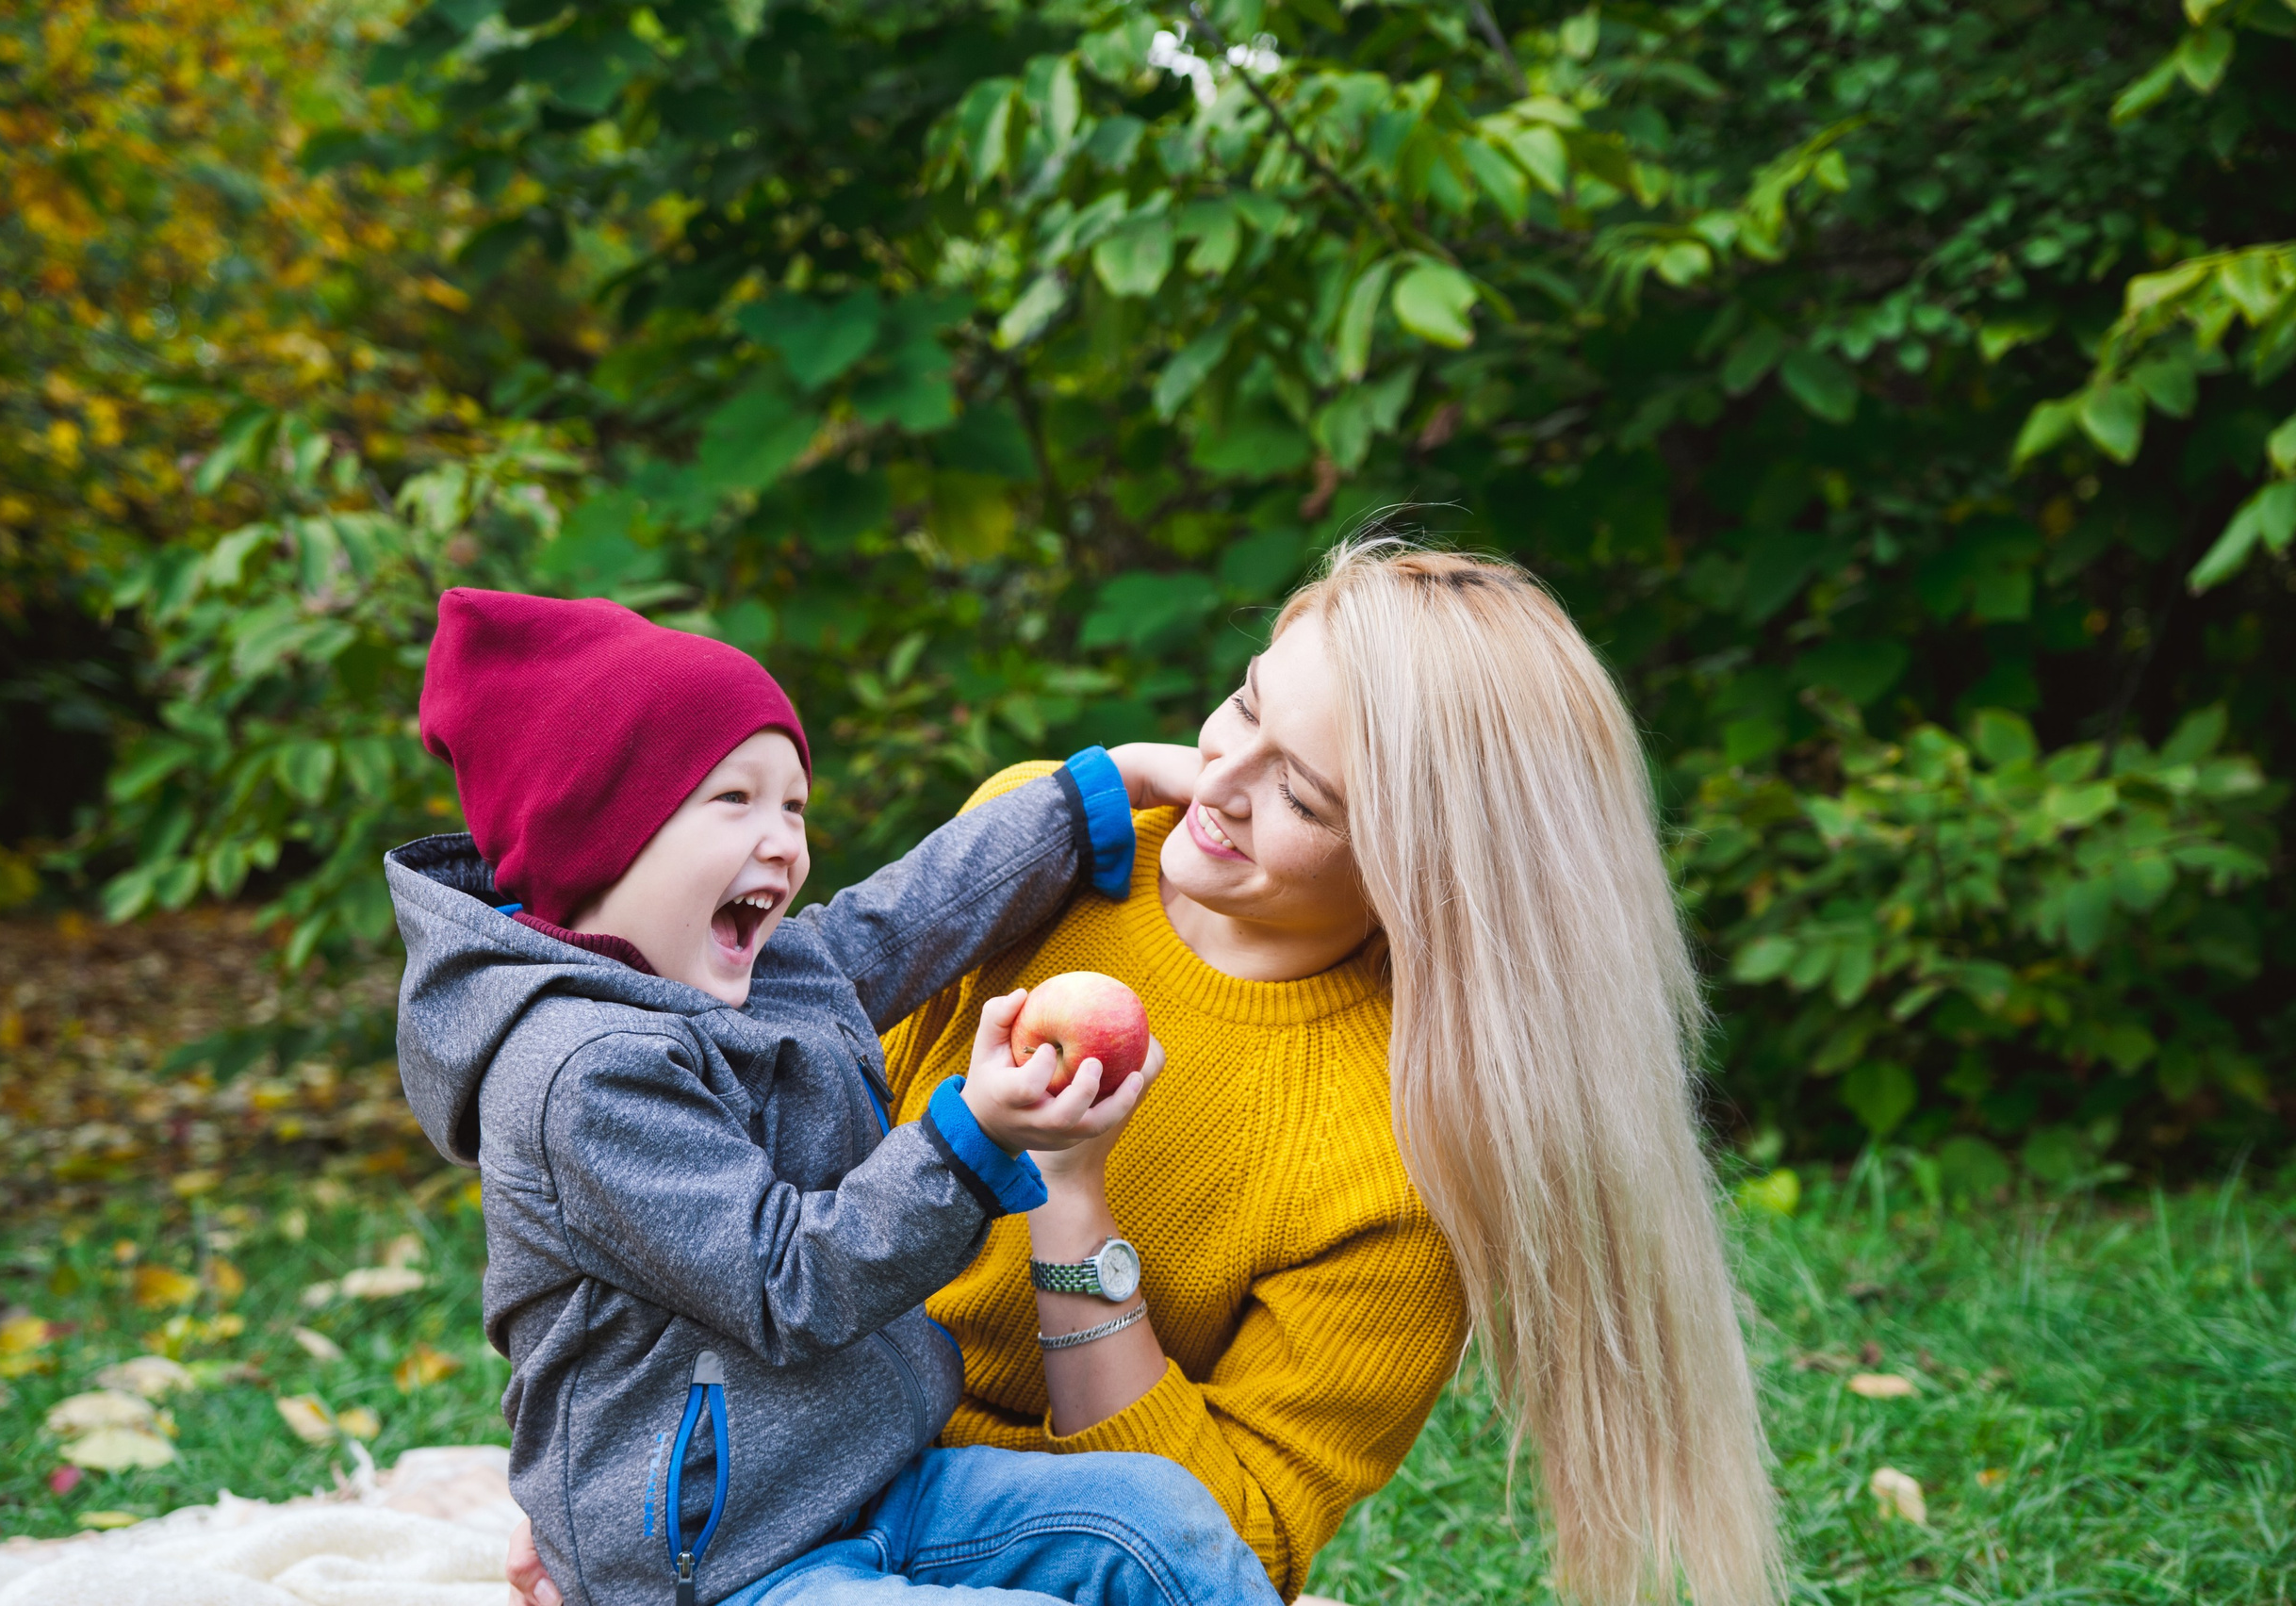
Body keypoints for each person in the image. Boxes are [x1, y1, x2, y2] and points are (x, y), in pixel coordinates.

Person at [512, 541, 1781, 1606]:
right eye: (1243, 706)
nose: (1216, 783)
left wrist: (1070, 1192)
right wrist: (614, 1485)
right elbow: (732, 1184)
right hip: (790, 1464)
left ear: (1427, 868)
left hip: (1000, 1521)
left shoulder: (1406, 1141)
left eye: (1307, 798)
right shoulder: (1043, 849)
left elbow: (1234, 1539)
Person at [390, 588, 1278, 1606]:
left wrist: (1093, 795)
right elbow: (786, 1282)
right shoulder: (583, 1075)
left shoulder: (756, 974)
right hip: (716, 1556)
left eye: (794, 805)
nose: (784, 842)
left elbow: (905, 918)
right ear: (600, 834)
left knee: (1149, 1519)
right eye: (734, 801)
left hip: (873, 1482)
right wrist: (969, 1136)